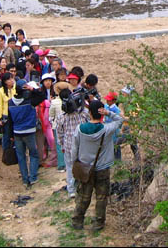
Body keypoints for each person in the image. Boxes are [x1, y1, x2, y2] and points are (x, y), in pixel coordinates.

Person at [71, 100, 124, 231]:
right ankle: (98, 223)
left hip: (84, 168)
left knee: (83, 196)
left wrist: (75, 162)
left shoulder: (80, 129)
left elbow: (74, 149)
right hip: (103, 168)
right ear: (101, 114)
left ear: (89, 113)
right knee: (101, 197)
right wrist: (108, 113)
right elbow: (120, 120)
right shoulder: (107, 129)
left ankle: (78, 220)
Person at [7, 79, 45, 188]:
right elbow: (42, 96)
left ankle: (25, 179)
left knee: (21, 156)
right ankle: (33, 177)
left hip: (17, 132)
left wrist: (10, 136)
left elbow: (9, 121)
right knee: (33, 154)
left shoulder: (10, 103)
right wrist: (33, 89)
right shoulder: (30, 101)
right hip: (29, 131)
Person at [56, 87, 90, 198]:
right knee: (85, 165)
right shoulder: (83, 113)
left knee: (70, 167)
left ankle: (71, 190)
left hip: (68, 145)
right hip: (83, 145)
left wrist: (61, 145)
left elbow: (59, 133)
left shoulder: (61, 117)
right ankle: (85, 187)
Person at [38, 73, 58, 167]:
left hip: (52, 116)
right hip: (44, 117)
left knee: (51, 138)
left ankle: (53, 156)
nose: (48, 82)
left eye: (50, 81)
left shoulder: (55, 92)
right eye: (46, 81)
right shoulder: (41, 93)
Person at [117, 85, 141, 163]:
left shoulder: (134, 105)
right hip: (130, 128)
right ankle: (138, 161)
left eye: (124, 93)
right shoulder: (127, 103)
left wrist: (121, 116)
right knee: (133, 145)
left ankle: (117, 162)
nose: (123, 94)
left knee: (116, 143)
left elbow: (130, 118)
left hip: (131, 128)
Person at [0, 72, 16, 150]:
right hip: (6, 116)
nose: (11, 80)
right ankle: (6, 152)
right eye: (9, 79)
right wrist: (0, 118)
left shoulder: (16, 89)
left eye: (12, 78)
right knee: (6, 135)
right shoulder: (1, 91)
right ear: (5, 81)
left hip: (15, 115)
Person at [103, 92, 122, 161]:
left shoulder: (116, 110)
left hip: (114, 131)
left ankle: (118, 161)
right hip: (107, 128)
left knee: (115, 145)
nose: (107, 101)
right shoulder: (105, 106)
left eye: (109, 100)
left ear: (114, 101)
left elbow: (118, 122)